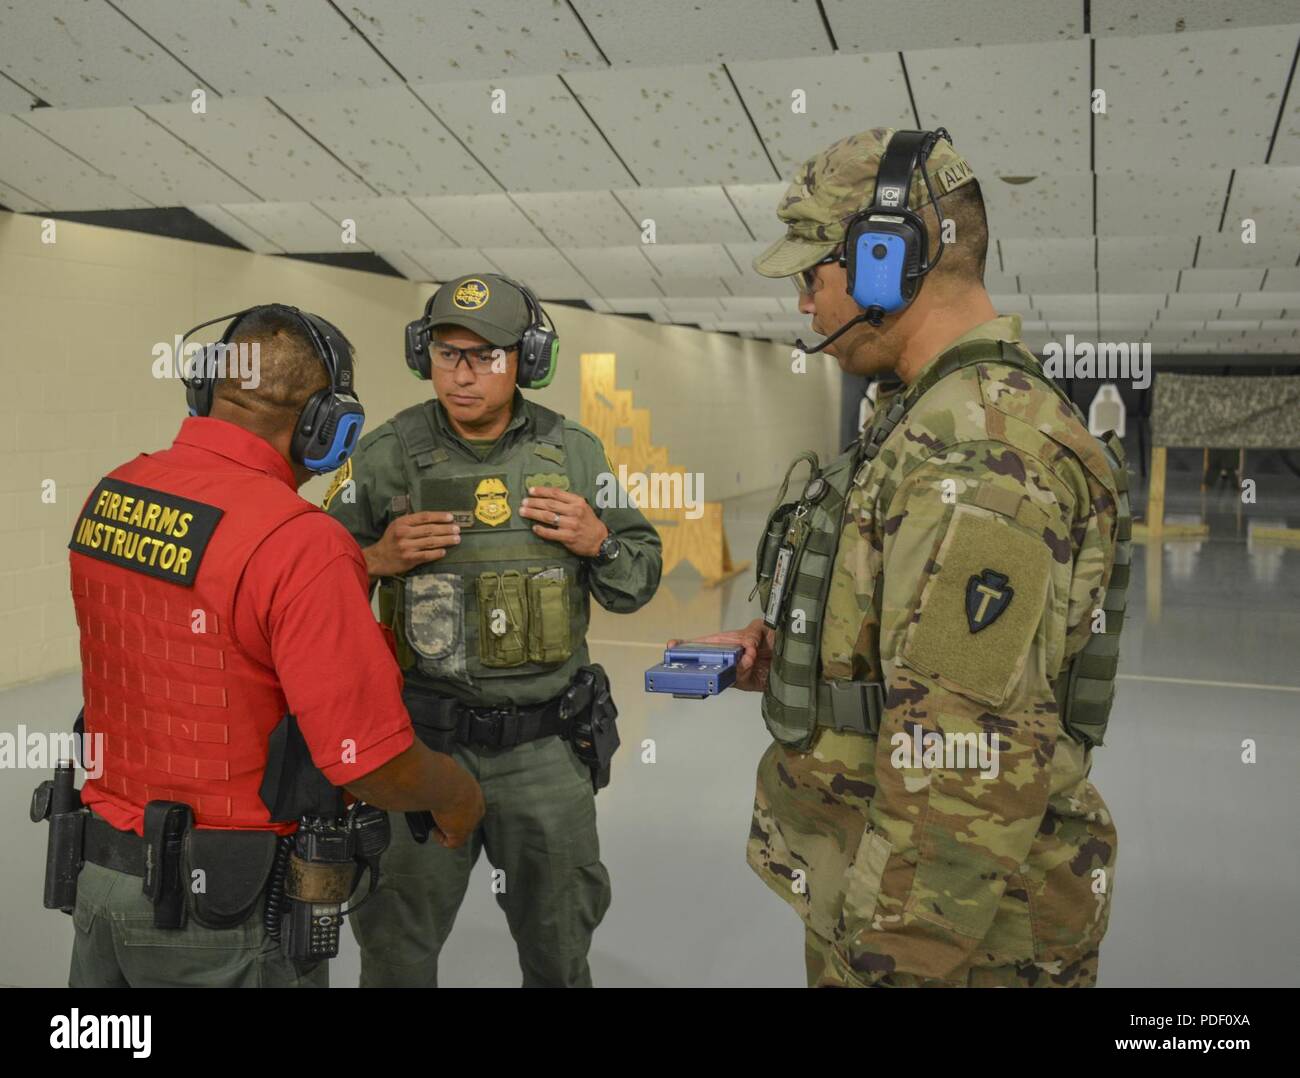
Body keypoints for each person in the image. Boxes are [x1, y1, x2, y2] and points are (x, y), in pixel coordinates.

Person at [684, 129, 1130, 987]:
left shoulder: (978, 455)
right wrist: (810, 661)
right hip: (889, 893)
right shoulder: (926, 419)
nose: (805, 307)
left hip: (949, 944)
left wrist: (887, 964)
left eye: (814, 277)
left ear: (886, 258)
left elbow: (965, 761)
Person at [59, 304, 483, 988]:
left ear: (205, 389)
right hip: (225, 912)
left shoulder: (113, 494)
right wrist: (455, 791)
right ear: (327, 426)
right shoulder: (302, 543)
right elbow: (364, 763)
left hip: (101, 883)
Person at [327, 273, 662, 987]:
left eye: (486, 356)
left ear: (527, 360)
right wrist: (375, 559)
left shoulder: (574, 453)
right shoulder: (385, 455)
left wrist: (598, 541)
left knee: (559, 947)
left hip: (544, 750)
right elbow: (308, 591)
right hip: (423, 747)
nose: (464, 374)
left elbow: (639, 576)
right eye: (448, 354)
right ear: (425, 356)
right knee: (395, 946)